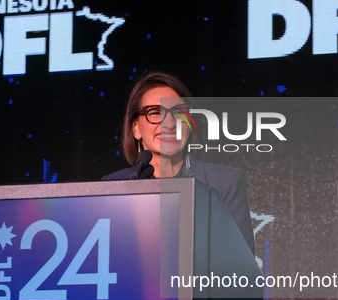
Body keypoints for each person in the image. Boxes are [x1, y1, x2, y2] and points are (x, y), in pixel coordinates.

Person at [103, 72, 256, 255]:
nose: (169, 123)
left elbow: (241, 271)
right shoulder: (112, 187)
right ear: (136, 128)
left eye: (178, 113)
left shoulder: (225, 183)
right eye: (155, 113)